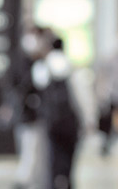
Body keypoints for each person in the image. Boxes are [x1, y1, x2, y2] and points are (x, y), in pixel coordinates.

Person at [2, 26, 48, 189]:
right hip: (24, 114)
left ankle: (29, 179)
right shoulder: (20, 60)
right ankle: (24, 180)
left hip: (36, 115)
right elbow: (12, 86)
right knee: (28, 148)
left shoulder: (40, 62)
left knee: (34, 150)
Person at [34, 37, 82, 189]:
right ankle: (66, 181)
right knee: (69, 155)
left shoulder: (43, 66)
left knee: (53, 155)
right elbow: (81, 97)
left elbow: (38, 88)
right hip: (70, 120)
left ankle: (53, 182)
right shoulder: (72, 67)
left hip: (51, 120)